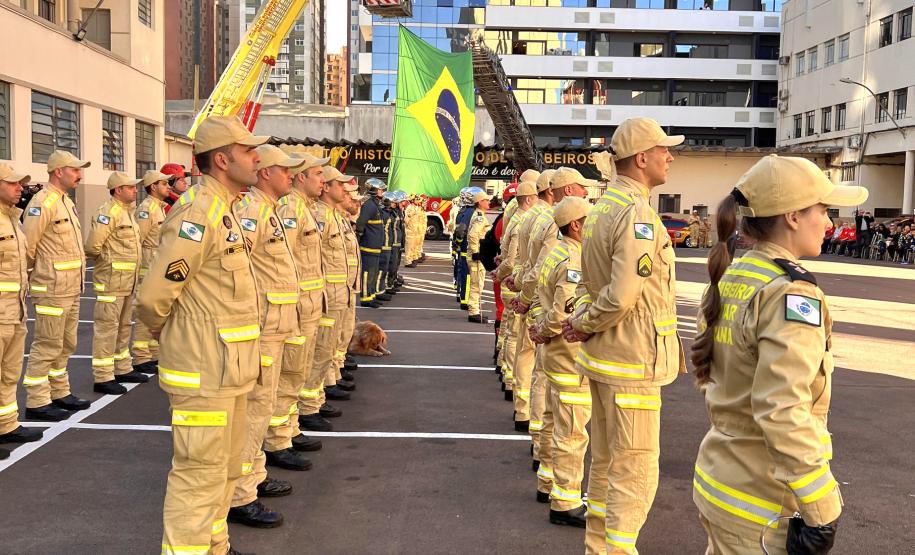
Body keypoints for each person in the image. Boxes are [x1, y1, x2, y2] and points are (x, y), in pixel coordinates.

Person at [690, 155, 861, 554]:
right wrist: (823, 509)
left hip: (722, 479)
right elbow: (782, 410)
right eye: (823, 209)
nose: (829, 223)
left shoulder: (735, 275)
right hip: (761, 501)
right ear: (793, 217)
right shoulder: (791, 293)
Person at [136, 115, 266, 555]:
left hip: (228, 370)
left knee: (224, 470)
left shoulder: (223, 208)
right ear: (223, 160)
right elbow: (154, 296)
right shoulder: (197, 211)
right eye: (248, 151)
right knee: (198, 475)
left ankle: (215, 546)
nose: (257, 158)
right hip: (203, 370)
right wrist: (167, 332)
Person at [562, 117, 687, 554]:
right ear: (642, 158)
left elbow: (588, 284)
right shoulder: (636, 213)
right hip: (631, 361)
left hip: (607, 358)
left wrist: (581, 319)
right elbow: (620, 296)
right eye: (664, 150)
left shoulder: (601, 207)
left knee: (606, 464)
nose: (670, 157)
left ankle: (598, 548)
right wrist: (583, 322)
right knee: (634, 470)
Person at [227, 144, 304, 530]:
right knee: (254, 410)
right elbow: (238, 273)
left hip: (275, 325)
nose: (291, 176)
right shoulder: (251, 212)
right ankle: (240, 496)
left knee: (262, 408)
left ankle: (253, 479)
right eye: (284, 170)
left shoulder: (269, 209)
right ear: (265, 174)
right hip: (260, 327)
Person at [520, 167, 592, 499]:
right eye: (588, 221)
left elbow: (538, 294)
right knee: (572, 429)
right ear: (575, 225)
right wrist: (546, 329)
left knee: (551, 419)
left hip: (552, 351)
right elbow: (564, 309)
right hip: (566, 351)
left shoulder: (556, 252)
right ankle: (565, 497)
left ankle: (547, 481)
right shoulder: (573, 259)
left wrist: (539, 327)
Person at [22, 150, 92, 421]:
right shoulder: (43, 202)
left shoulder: (65, 201)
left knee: (66, 343)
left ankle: (59, 391)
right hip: (52, 287)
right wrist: (36, 277)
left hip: (70, 287)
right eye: (75, 170)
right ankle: (37, 401)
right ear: (58, 171)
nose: (79, 175)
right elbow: (28, 246)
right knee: (47, 344)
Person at [272, 149, 334, 440]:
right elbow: (282, 261)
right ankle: (279, 437)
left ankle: (290, 428)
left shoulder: (305, 208)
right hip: (295, 307)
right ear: (301, 177)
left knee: (301, 368)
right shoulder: (290, 209)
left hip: (309, 304)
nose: (322, 180)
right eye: (318, 174)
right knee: (289, 372)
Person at [84, 171, 147, 395]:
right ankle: (103, 377)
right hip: (111, 281)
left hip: (127, 282)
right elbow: (93, 247)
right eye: (130, 187)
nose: (135, 190)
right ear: (118, 190)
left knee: (124, 326)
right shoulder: (108, 213)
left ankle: (122, 368)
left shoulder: (127, 213)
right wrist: (108, 264)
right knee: (107, 329)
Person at [505, 170, 555, 433]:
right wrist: (526, 296)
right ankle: (534, 423)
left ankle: (522, 409)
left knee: (522, 351)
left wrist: (519, 287)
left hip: (525, 289)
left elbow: (520, 261)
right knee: (540, 367)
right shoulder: (549, 220)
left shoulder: (526, 217)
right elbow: (540, 268)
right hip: (540, 297)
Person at [0, 163, 43, 448]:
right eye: (13, 183)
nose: (20, 188)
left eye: (21, 184)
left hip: (14, 311)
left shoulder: (13, 219)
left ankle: (6, 426)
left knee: (9, 372)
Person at [311, 165, 358, 423]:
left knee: (331, 343)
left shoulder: (333, 215)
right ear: (327, 188)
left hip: (340, 290)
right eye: (339, 185)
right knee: (320, 349)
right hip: (326, 294)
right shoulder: (319, 215)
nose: (345, 191)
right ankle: (313, 401)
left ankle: (325, 386)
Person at [494, 175, 540, 402]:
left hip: (513, 281)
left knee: (510, 333)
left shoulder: (514, 217)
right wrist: (503, 274)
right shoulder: (525, 220)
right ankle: (512, 383)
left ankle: (507, 374)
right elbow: (514, 260)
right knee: (520, 341)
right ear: (529, 199)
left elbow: (506, 253)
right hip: (517, 284)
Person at [131, 169, 172, 373]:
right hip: (148, 266)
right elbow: (138, 240)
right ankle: (141, 356)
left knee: (158, 310)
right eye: (164, 183)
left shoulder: (160, 208)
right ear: (153, 187)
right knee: (145, 313)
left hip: (157, 266)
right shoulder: (146, 209)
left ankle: (154, 353)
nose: (168, 187)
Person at [356, 179, 386, 307]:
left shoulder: (375, 204)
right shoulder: (370, 205)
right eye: (380, 189)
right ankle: (366, 298)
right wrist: (363, 237)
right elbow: (360, 224)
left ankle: (371, 296)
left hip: (375, 246)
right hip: (369, 247)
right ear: (374, 190)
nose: (382, 192)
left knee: (373, 273)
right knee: (367, 273)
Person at [466, 190, 493, 323]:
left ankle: (475, 310)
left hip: (477, 255)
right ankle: (474, 312)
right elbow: (473, 235)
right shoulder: (480, 217)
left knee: (478, 284)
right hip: (476, 257)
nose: (489, 202)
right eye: (486, 200)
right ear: (480, 202)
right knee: (476, 285)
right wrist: (476, 252)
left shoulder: (480, 215)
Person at [404, 194, 424, 268]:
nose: (417, 201)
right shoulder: (409, 208)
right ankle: (408, 262)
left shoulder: (414, 208)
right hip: (410, 231)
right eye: (416, 200)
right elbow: (406, 220)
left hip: (414, 231)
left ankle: (412, 260)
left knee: (412, 247)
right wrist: (409, 228)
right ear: (412, 200)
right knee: (409, 247)